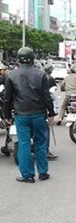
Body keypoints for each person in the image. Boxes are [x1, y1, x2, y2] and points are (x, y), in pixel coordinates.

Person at [3, 47, 55, 183]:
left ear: (18, 60)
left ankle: (27, 175)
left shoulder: (11, 75)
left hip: (21, 115)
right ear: (33, 59)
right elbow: (47, 96)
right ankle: (43, 172)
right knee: (41, 143)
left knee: (24, 144)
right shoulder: (41, 74)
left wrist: (7, 115)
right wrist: (51, 113)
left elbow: (7, 98)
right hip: (39, 114)